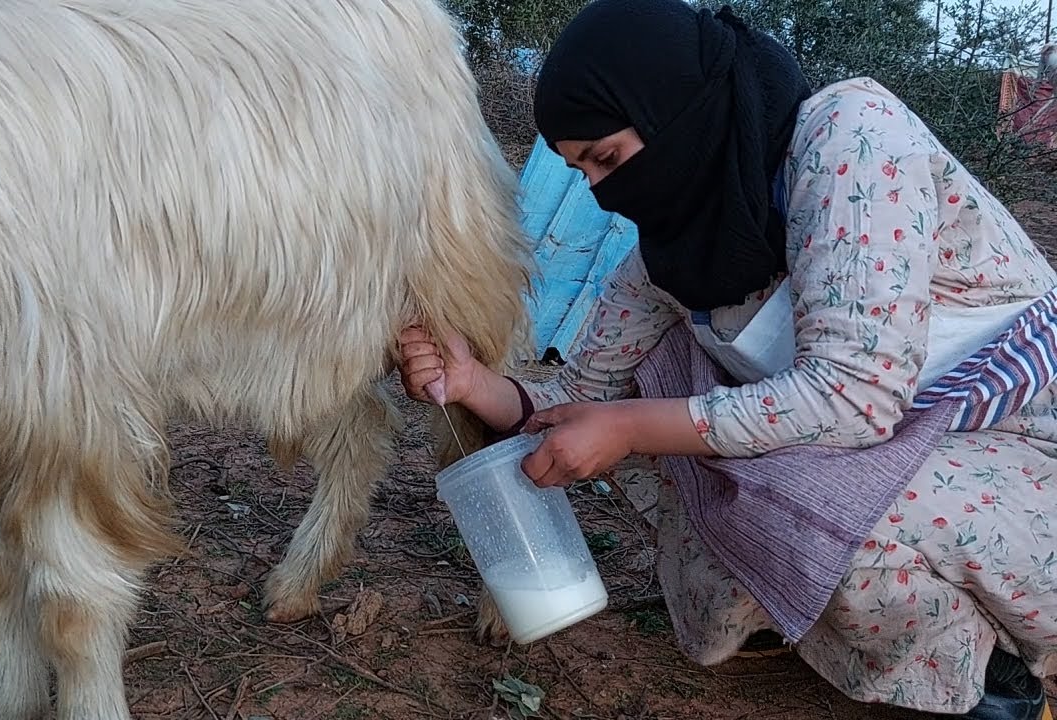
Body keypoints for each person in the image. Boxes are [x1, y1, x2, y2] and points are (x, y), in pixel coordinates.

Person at [398, 1, 1057, 718]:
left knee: (830, 512)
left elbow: (855, 396)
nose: (599, 193)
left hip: (1012, 431)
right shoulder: (671, 255)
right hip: (888, 443)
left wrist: (629, 428)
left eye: (607, 159)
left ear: (675, 110)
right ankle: (818, 618)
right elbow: (578, 394)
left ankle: (1000, 684)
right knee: (739, 457)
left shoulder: (850, 139)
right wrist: (471, 381)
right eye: (580, 170)